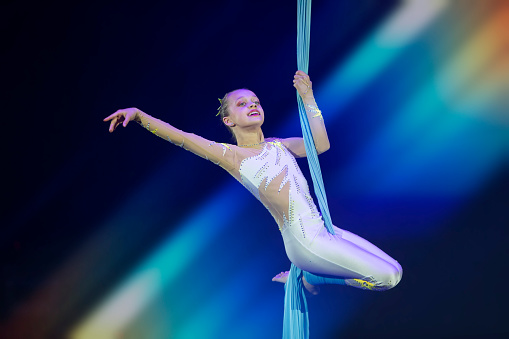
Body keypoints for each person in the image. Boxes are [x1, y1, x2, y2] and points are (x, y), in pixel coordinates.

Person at [103, 70, 402, 294]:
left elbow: (320, 144)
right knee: (386, 278)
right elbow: (182, 138)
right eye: (242, 103)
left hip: (325, 230)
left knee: (397, 272)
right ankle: (310, 278)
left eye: (255, 101)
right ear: (228, 121)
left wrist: (309, 98)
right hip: (306, 244)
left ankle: (306, 277)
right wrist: (140, 116)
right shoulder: (233, 156)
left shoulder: (278, 144)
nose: (252, 105)